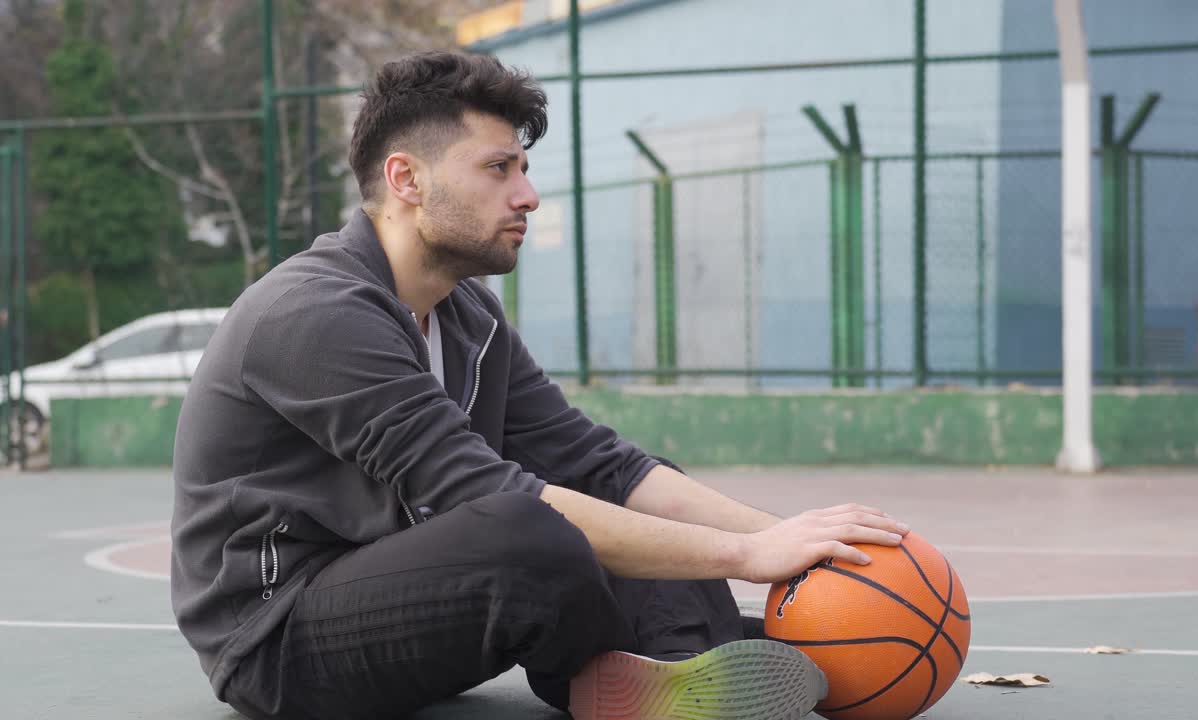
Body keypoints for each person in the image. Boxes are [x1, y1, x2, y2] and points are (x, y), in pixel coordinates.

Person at [170, 50, 911, 720]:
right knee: (524, 530)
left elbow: (602, 463)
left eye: (523, 170)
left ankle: (679, 675)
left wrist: (781, 536)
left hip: (413, 609)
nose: (527, 195)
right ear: (407, 179)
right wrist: (748, 560)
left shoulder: (467, 318)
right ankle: (648, 670)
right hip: (276, 639)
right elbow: (478, 493)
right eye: (499, 169)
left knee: (622, 493)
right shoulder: (315, 312)